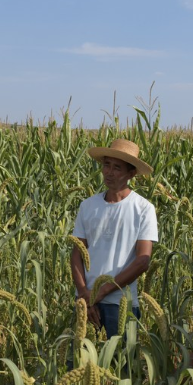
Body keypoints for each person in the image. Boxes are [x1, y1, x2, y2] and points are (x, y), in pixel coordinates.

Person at [70, 139, 159, 338]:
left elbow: (143, 261)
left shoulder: (143, 209)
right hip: (86, 302)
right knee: (82, 365)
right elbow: (76, 253)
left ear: (131, 173)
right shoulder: (88, 206)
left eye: (117, 167)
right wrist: (85, 294)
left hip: (120, 303)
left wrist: (102, 292)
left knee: (121, 365)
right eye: (106, 165)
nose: (109, 172)